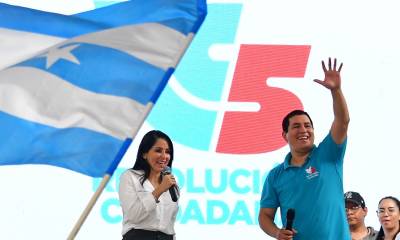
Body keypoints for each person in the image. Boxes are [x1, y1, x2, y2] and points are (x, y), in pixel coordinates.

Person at [258, 58, 351, 240]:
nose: (304, 130)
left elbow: (343, 121)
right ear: (285, 135)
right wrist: (277, 232)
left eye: (308, 126)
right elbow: (264, 216)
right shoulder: (275, 175)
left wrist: (336, 90)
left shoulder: (328, 154)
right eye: (296, 126)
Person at [118, 130, 179, 240]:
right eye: (158, 151)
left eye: (168, 152)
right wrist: (159, 190)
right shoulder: (130, 177)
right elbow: (133, 216)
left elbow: (170, 223)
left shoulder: (170, 181)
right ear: (144, 154)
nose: (164, 156)